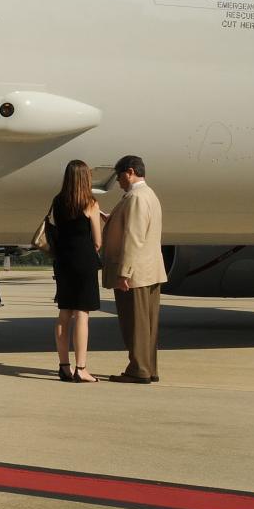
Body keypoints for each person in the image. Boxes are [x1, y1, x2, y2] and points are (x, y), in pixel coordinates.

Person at [101, 154, 167, 383]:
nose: (118, 182)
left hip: (136, 273)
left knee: (135, 324)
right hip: (150, 270)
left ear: (130, 172)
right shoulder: (149, 195)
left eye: (119, 177)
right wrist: (112, 219)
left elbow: (134, 237)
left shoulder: (135, 197)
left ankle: (138, 370)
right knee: (148, 326)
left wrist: (124, 272)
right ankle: (149, 368)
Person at [49, 161, 103, 382]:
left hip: (63, 261)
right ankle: (81, 368)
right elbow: (98, 241)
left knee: (64, 314)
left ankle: (64, 366)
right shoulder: (90, 203)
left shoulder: (58, 201)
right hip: (83, 261)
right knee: (82, 314)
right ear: (85, 178)